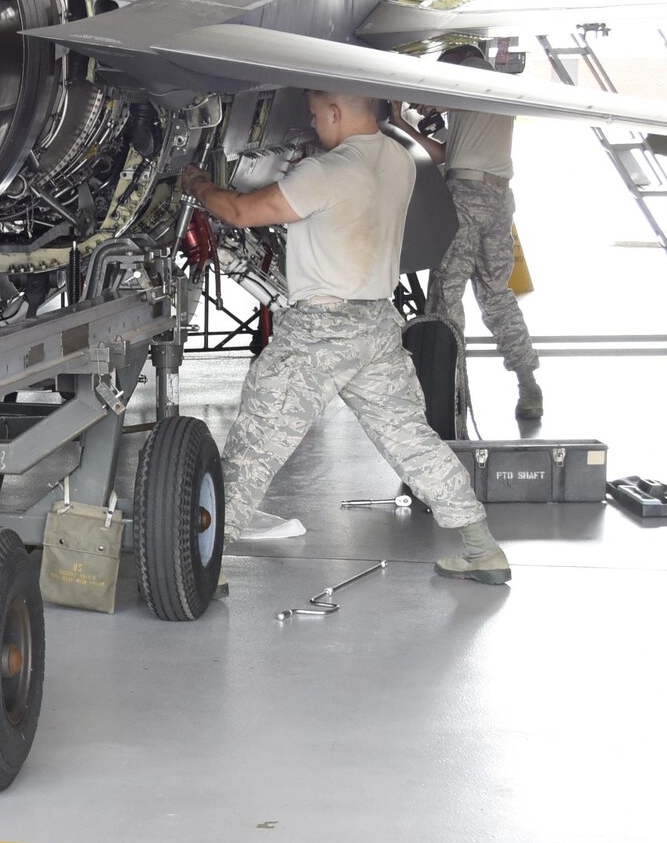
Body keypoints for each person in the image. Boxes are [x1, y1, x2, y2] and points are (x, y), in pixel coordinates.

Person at [179, 89, 512, 585]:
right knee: (411, 440)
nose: (314, 126)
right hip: (376, 322)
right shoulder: (399, 161)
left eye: (316, 117)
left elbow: (244, 213)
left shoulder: (326, 172)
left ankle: (197, 568)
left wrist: (199, 185)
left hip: (320, 328)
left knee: (256, 443)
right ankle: (482, 548)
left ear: (336, 112)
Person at [393, 48, 542, 422]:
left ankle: (448, 395)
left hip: (466, 198)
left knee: (446, 295)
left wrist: (409, 102)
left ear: (457, 62)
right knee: (497, 294)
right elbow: (443, 154)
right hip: (498, 199)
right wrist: (401, 121)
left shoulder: (473, 75)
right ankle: (528, 384)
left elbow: (428, 98)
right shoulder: (494, 91)